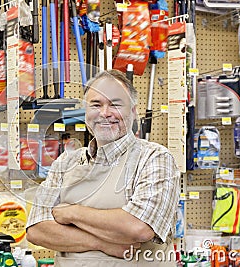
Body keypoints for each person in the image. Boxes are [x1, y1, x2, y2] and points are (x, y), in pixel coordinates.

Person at [26, 69, 180, 266]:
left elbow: (139, 227)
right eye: (96, 105)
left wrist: (72, 213)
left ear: (133, 112)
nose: (105, 113)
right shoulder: (65, 163)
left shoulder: (154, 158)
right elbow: (36, 230)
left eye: (115, 104)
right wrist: (103, 244)